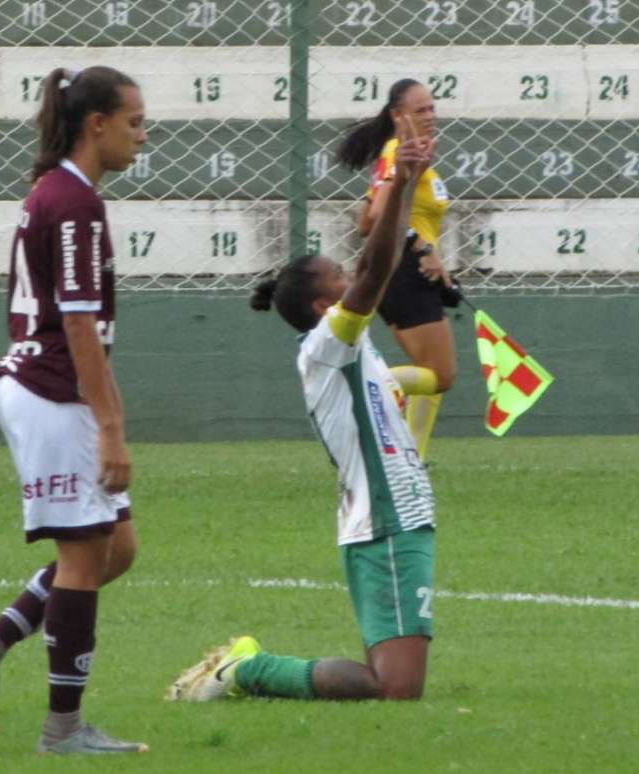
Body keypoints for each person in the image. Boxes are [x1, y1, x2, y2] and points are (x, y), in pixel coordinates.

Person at [167, 118, 438, 703]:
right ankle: (246, 670)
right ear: (323, 305)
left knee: (393, 681)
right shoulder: (327, 346)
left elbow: (379, 265)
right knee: (393, 689)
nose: (354, 278)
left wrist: (407, 187)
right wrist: (402, 184)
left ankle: (245, 669)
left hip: (394, 514)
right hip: (386, 518)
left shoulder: (345, 346)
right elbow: (374, 268)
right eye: (340, 278)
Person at [0, 65, 148, 755]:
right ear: (98, 124)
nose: (141, 137)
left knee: (116, 548)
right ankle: (63, 729)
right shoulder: (75, 202)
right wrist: (111, 427)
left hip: (53, 386)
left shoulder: (59, 191)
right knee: (83, 558)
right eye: (134, 122)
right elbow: (81, 326)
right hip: (52, 392)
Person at [338, 77, 456, 461]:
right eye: (420, 109)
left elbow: (364, 221)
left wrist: (433, 254)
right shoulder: (397, 151)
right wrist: (420, 246)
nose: (430, 115)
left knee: (432, 373)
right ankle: (377, 388)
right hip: (405, 268)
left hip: (410, 269)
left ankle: (413, 457)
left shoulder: (405, 158)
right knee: (440, 374)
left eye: (432, 108)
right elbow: (377, 216)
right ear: (397, 115)